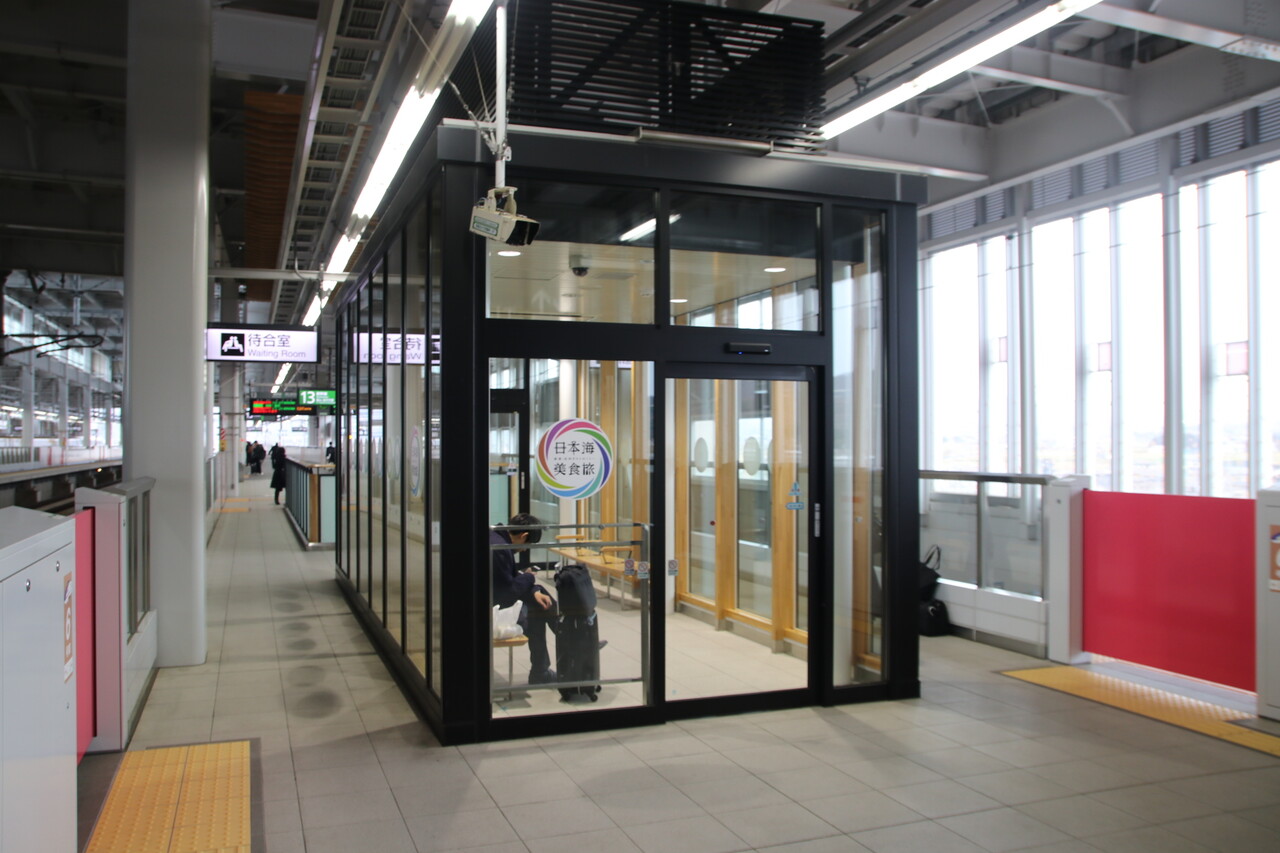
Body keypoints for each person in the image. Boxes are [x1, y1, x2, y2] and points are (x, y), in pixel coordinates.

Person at [491, 513, 558, 684]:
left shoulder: (497, 537)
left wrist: (533, 589)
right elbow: (507, 592)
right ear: (523, 536)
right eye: (528, 545)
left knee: (539, 600)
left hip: (494, 598)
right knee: (538, 610)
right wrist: (529, 577)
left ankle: (541, 670)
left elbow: (511, 580)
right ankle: (571, 635)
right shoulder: (500, 549)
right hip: (493, 609)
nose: (525, 550)